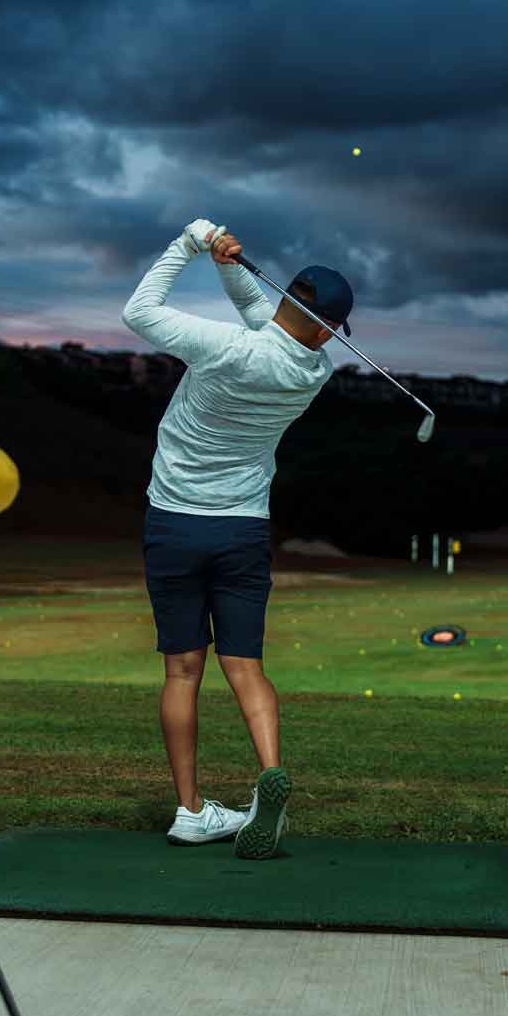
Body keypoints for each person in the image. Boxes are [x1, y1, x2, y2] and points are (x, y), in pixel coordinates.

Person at [120, 218, 355, 859]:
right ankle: (269, 775)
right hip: (242, 530)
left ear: (286, 298)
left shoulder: (224, 348)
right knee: (246, 666)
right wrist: (229, 267)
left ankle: (191, 810)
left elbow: (139, 312)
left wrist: (189, 246)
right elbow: (271, 323)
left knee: (182, 670)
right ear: (328, 331)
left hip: (173, 522)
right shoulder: (315, 371)